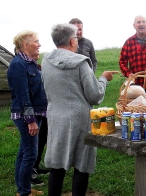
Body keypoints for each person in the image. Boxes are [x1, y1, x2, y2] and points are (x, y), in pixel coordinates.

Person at [42, 23, 115, 196]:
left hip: (55, 117)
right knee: (82, 165)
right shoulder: (81, 63)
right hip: (80, 120)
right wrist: (104, 79)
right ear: (72, 41)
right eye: (76, 37)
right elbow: (95, 95)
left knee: (57, 165)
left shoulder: (46, 60)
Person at [7, 30, 47, 196]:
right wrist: (30, 120)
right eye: (36, 42)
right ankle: (24, 192)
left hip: (34, 114)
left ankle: (23, 189)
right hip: (26, 116)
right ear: (25, 45)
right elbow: (23, 95)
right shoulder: (18, 65)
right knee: (31, 154)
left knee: (24, 152)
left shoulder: (29, 64)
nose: (39, 45)